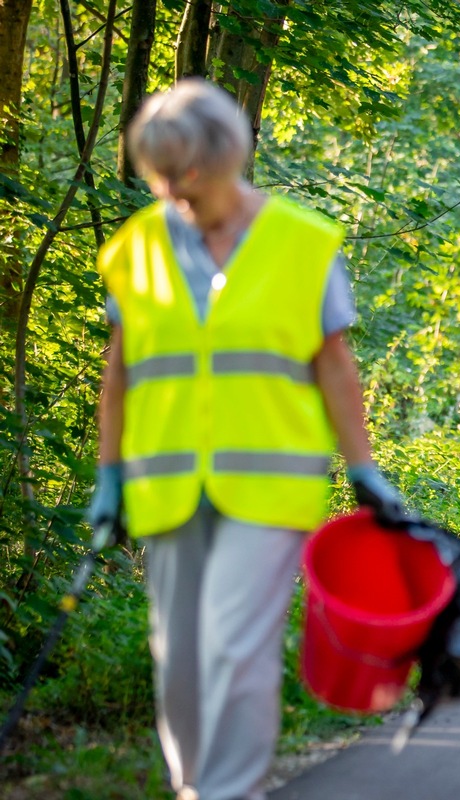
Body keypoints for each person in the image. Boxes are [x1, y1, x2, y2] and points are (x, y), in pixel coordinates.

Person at [86, 78, 406, 800]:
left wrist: (365, 469)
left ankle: (231, 793)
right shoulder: (137, 246)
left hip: (269, 484)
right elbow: (122, 370)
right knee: (180, 659)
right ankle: (195, 786)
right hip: (165, 484)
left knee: (236, 647)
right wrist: (109, 476)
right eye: (159, 174)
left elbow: (334, 366)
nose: (174, 189)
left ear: (228, 158)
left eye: (185, 173)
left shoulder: (303, 242)